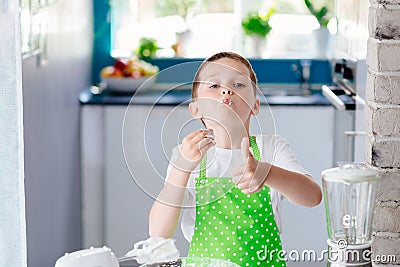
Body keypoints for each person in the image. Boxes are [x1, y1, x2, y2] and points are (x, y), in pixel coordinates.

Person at [149, 52, 322, 266]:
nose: (226, 90)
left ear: (255, 106)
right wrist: (181, 169)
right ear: (196, 109)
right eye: (213, 85)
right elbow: (159, 231)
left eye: (239, 84)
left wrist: (268, 173)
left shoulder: (271, 148)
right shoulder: (185, 157)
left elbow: (313, 196)